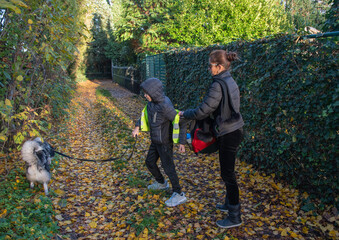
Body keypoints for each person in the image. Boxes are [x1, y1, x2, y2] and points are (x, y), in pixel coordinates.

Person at [179, 50, 244, 228]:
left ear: (219, 66)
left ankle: (235, 216)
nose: (208, 68)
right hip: (235, 128)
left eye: (210, 65)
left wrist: (185, 113)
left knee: (228, 174)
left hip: (229, 132)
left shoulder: (218, 84)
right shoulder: (229, 79)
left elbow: (203, 110)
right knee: (228, 172)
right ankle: (228, 204)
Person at [132, 77, 187, 207]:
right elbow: (143, 115)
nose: (145, 95)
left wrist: (182, 142)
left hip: (165, 143)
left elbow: (182, 121)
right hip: (155, 141)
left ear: (154, 93)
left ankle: (179, 193)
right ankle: (161, 183)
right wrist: (137, 127)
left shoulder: (165, 106)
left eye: (147, 93)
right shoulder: (150, 104)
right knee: (149, 162)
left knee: (169, 168)